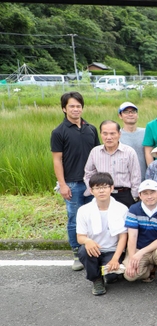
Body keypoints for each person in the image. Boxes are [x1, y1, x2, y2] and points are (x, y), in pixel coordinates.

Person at [51, 91, 100, 270]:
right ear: (64, 108)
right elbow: (57, 160)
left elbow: (97, 154)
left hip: (92, 183)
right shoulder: (59, 132)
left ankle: (94, 251)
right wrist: (62, 185)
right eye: (71, 106)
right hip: (72, 183)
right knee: (74, 219)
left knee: (94, 217)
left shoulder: (91, 129)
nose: (75, 109)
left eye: (78, 106)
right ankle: (77, 254)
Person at [75, 172, 128, 296]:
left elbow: (123, 236)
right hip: (95, 249)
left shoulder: (122, 209)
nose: (101, 191)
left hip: (112, 250)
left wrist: (115, 259)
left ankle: (109, 271)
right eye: (97, 188)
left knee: (112, 276)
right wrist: (87, 241)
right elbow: (80, 237)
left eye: (104, 187)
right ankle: (96, 279)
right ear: (91, 191)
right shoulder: (83, 210)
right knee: (83, 251)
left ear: (111, 188)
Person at [123, 180, 157, 283]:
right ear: (140, 195)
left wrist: (141, 252)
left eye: (152, 192)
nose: (149, 196)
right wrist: (132, 257)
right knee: (130, 275)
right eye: (145, 193)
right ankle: (149, 270)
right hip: (139, 248)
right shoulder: (134, 209)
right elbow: (132, 237)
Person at [84, 120, 141, 207]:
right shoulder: (95, 152)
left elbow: (135, 176)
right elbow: (89, 174)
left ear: (119, 134)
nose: (109, 137)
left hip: (124, 195)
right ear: (100, 134)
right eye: (105, 133)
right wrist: (94, 191)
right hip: (102, 194)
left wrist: (134, 196)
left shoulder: (129, 152)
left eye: (112, 133)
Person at [118, 102, 147, 181]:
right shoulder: (116, 135)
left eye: (133, 112)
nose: (130, 114)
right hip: (125, 181)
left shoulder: (146, 132)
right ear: (120, 116)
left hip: (145, 179)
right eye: (126, 112)